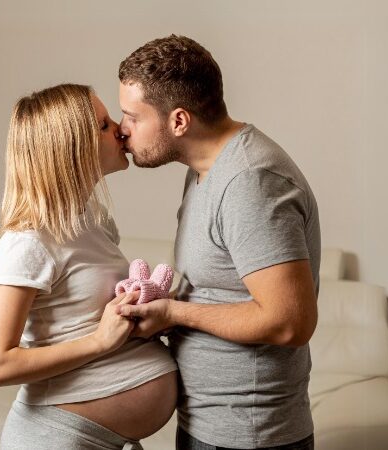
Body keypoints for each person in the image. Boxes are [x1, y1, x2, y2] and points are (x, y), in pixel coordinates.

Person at [116, 35, 321, 450]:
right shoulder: (205, 169)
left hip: (249, 436)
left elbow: (290, 322)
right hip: (211, 425)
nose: (123, 131)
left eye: (132, 117)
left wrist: (175, 311)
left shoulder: (250, 182)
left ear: (178, 121)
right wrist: (163, 308)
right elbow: (221, 288)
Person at [0, 84, 178, 450]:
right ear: (72, 148)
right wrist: (100, 340)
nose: (120, 128)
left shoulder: (93, 221)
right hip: (53, 438)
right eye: (103, 125)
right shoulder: (28, 242)